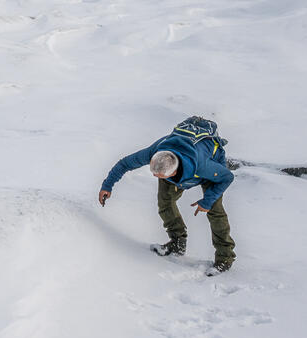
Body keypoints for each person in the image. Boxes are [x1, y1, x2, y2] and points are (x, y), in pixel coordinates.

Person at [98, 117, 236, 275]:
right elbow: (125, 163)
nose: (157, 177)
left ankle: (225, 258)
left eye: (160, 176)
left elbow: (227, 178)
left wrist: (207, 201)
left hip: (211, 168)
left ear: (174, 172)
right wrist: (107, 185)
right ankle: (177, 242)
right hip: (177, 165)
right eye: (155, 174)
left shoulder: (203, 166)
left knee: (215, 211)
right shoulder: (156, 152)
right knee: (165, 201)